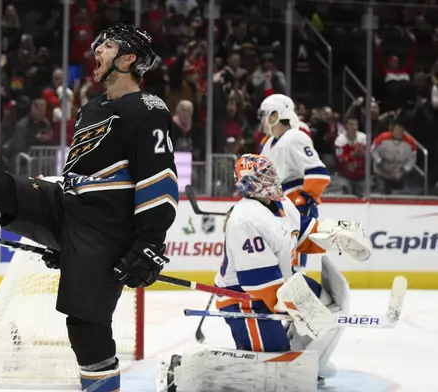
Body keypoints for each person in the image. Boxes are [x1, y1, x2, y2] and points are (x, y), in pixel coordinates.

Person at [0, 24, 178, 391]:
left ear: (128, 58)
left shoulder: (148, 109)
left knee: (85, 327)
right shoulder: (91, 109)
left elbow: (159, 182)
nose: (96, 52)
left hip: (106, 228)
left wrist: (149, 243)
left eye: (107, 46)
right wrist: (62, 240)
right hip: (68, 209)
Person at [157, 154, 372, 391]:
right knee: (273, 369)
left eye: (271, 172)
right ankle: (180, 368)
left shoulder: (283, 204)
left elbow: (303, 234)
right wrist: (299, 307)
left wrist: (335, 237)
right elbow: (258, 284)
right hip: (244, 299)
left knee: (327, 302)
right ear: (250, 185)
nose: (274, 179)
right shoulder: (245, 219)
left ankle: (307, 361)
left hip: (278, 284)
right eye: (265, 176)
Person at [259, 93, 331, 270]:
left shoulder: (295, 137)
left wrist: (306, 198)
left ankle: (297, 294)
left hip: (296, 203)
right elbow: (262, 180)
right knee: (277, 259)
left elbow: (319, 172)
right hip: (278, 205)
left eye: (264, 114)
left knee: (293, 262)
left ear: (275, 115)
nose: (261, 119)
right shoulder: (267, 145)